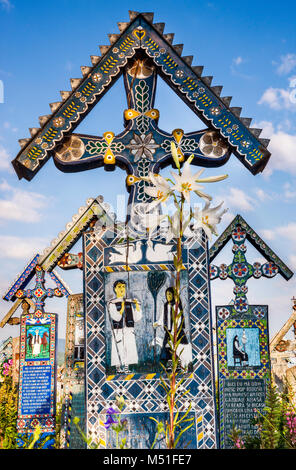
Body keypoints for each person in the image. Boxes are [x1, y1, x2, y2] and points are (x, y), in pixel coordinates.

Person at [107, 279, 142, 373]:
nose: (122, 289)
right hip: (118, 330)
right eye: (119, 287)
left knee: (129, 347)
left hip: (128, 329)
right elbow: (117, 317)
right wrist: (122, 307)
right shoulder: (112, 303)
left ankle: (126, 367)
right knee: (118, 348)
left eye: (123, 287)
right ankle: (118, 368)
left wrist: (137, 307)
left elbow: (136, 318)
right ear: (115, 289)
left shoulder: (129, 302)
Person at [154, 287, 192, 369]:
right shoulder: (165, 305)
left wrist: (174, 331)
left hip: (177, 332)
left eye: (170, 294)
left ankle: (179, 366)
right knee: (168, 349)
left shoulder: (176, 306)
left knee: (178, 349)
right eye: (167, 294)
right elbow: (162, 318)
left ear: (174, 295)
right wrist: (157, 323)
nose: (168, 296)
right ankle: (170, 366)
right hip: (168, 331)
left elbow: (178, 320)